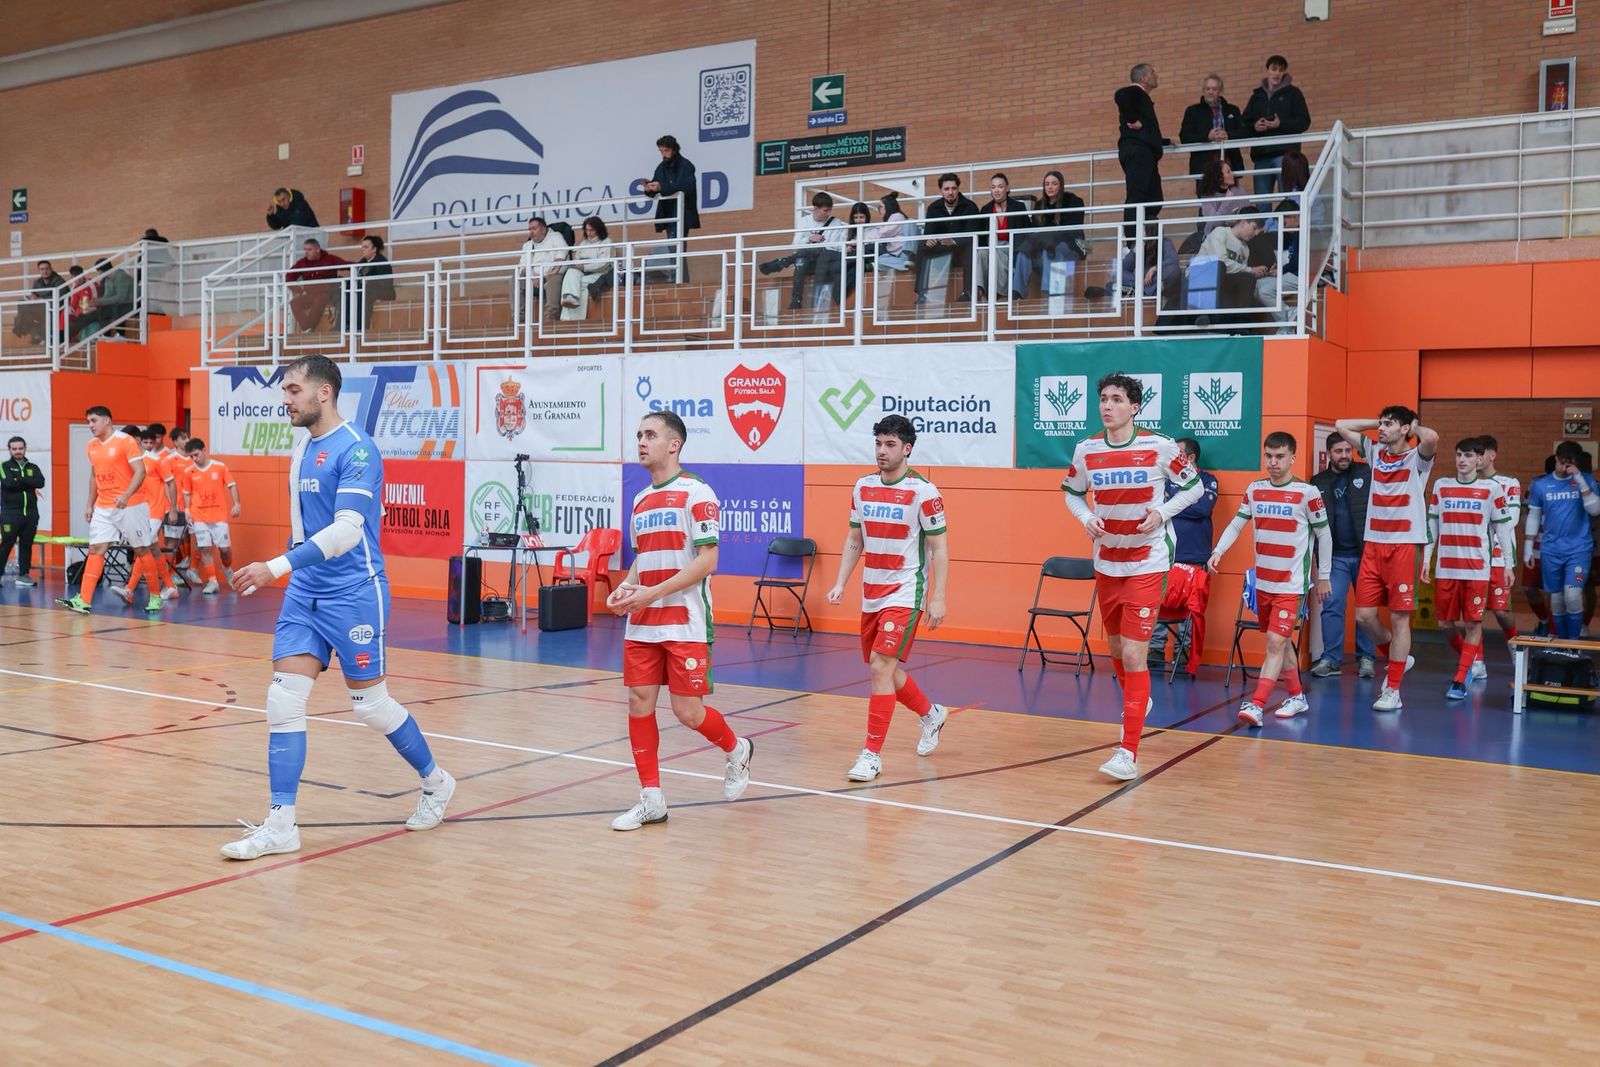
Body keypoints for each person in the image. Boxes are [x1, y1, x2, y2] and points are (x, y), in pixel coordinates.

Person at [224, 355, 456, 859]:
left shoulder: (358, 449)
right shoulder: (302, 449)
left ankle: (436, 782)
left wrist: (275, 566)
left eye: (292, 390)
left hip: (354, 594)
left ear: (323, 392)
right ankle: (281, 824)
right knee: (282, 701)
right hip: (304, 595)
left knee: (371, 706)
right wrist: (291, 573)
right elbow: (303, 528)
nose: (284, 400)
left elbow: (349, 532)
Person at [603, 410, 754, 831]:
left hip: (684, 622)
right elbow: (643, 562)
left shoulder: (696, 493)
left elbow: (708, 561)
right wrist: (626, 587)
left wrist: (653, 593)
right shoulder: (638, 499)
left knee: (688, 712)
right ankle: (651, 798)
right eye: (638, 435)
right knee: (638, 703)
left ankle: (737, 748)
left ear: (674, 444)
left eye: (650, 435)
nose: (641, 442)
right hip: (643, 622)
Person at [1063, 373, 1203, 780]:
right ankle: (1139, 700)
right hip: (1108, 562)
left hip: (1148, 562)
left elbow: (1192, 487)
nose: (1108, 406)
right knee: (1117, 648)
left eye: (1117, 399)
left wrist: (1162, 513)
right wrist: (1087, 516)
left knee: (1134, 654)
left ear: (1134, 407)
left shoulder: (1157, 447)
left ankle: (1128, 752)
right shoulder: (1087, 449)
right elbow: (1072, 492)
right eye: (1103, 399)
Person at [825, 414, 952, 782]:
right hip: (871, 592)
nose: (882, 450)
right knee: (887, 669)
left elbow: (940, 549)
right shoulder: (862, 487)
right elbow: (854, 539)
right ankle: (930, 715)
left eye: (890, 444)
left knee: (880, 666)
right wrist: (840, 582)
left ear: (907, 449)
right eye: (879, 443)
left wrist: (937, 598)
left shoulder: (924, 492)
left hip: (905, 589)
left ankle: (871, 755)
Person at [1207, 432, 1331, 726]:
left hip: (1291, 585)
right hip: (1262, 583)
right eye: (1268, 456)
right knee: (1281, 641)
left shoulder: (1308, 493)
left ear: (1292, 458)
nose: (1273, 463)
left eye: (1280, 457)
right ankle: (1297, 696)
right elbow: (1237, 524)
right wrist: (1218, 551)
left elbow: (1324, 535)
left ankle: (1258, 704)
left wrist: (1323, 575)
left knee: (1276, 642)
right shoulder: (1255, 489)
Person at [1334, 407, 1439, 711]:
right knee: (1364, 617)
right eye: (1380, 423)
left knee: (1398, 618)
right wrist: (1376, 423)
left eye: (1388, 424)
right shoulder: (1374, 451)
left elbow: (1431, 437)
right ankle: (1399, 658)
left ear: (1406, 428)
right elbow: (1342, 422)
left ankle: (1393, 690)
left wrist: (1414, 426)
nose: (1381, 428)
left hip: (1404, 546)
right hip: (1374, 545)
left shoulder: (1417, 458)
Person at [1422, 439, 1515, 700]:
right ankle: (1471, 658)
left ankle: (1461, 678)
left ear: (1479, 459)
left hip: (1477, 570)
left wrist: (1508, 564)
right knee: (1444, 624)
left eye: (1468, 456)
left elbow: (1503, 530)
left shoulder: (1491, 489)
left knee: (1473, 622)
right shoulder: (1442, 486)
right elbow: (1432, 526)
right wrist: (1427, 559)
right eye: (1458, 455)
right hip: (1446, 568)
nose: (1462, 460)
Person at [55, 407, 152, 615]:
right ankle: (84, 600)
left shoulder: (125, 441)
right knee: (96, 549)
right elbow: (94, 476)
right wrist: (90, 503)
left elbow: (140, 471)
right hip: (104, 507)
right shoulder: (91, 445)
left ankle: (155, 596)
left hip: (131, 505)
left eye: (94, 420)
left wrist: (126, 495)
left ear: (107, 420)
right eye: (88, 421)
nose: (90, 424)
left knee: (142, 550)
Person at [1310, 432, 1377, 677]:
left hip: (1365, 554)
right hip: (1335, 556)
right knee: (1332, 605)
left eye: (1348, 451)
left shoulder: (1366, 473)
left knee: (1366, 610)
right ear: (1329, 454)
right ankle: (1331, 659)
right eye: (1339, 452)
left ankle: (1366, 658)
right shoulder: (1317, 482)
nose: (1345, 456)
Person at [1150, 438, 1218, 670]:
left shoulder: (1208, 480)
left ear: (1190, 458)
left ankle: (1182, 651)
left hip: (1195, 554)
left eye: (1178, 454)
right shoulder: (1166, 479)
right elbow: (1156, 508)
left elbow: (1202, 509)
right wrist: (1173, 505)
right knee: (1161, 601)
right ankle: (1156, 649)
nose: (1173, 458)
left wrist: (1171, 506)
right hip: (1165, 552)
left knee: (1190, 605)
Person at [1525, 440, 1600, 639]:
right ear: (1556, 459)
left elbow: (1595, 509)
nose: (1565, 467)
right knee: (1557, 598)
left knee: (1573, 593)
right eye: (1562, 462)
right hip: (1551, 550)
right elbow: (1533, 515)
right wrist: (1528, 548)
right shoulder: (1541, 484)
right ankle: (1561, 642)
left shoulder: (1587, 479)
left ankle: (1573, 643)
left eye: (1570, 463)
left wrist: (1579, 479)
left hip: (1579, 549)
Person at [1472, 435, 1521, 677]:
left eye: (1481, 453)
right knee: (1474, 613)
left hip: (1501, 558)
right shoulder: (1468, 484)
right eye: (1474, 453)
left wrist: (1481, 519)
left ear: (1492, 454)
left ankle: (1516, 649)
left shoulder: (1509, 482)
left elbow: (1511, 519)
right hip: (1475, 557)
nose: (1477, 458)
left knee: (1501, 612)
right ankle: (1477, 661)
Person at [759, 192, 844, 310]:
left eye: (830, 210)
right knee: (800, 261)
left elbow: (835, 248)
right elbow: (795, 245)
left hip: (825, 263)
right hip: (809, 262)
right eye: (825, 210)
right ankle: (796, 301)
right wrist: (809, 238)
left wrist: (819, 245)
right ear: (815, 208)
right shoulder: (804, 221)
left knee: (814, 252)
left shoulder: (836, 222)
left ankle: (781, 263)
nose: (829, 213)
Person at [1241, 56, 1312, 197]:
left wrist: (1281, 124)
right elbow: (1244, 122)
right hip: (1261, 155)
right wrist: (1255, 126)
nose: (1277, 73)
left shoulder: (1294, 93)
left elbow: (1304, 121)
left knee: (1287, 197)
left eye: (1281, 70)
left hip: (1285, 155)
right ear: (1268, 70)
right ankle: (1264, 220)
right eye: (1274, 69)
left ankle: (1287, 220)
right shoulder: (1257, 96)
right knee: (1262, 201)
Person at [1115, 63, 1167, 239]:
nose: (1156, 74)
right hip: (1137, 151)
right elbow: (1120, 95)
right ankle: (1132, 241)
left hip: (1145, 151)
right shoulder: (1134, 92)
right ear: (1144, 78)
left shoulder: (1141, 97)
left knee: (1154, 197)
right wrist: (1132, 119)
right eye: (1152, 72)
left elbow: (1146, 128)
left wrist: (1162, 141)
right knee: (1137, 195)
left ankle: (1147, 236)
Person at [1016, 170, 1086, 299]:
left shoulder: (1073, 201)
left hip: (1074, 245)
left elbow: (1074, 230)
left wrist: (1049, 238)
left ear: (1061, 185)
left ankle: (1052, 292)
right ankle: (1017, 292)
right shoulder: (1039, 205)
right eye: (1047, 184)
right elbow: (1034, 231)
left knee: (1050, 251)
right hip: (1046, 245)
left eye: (1054, 184)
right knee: (1023, 253)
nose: (1050, 187)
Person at [184, 437, 240, 595]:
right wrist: (187, 510)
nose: (194, 459)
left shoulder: (219, 467)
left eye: (196, 454)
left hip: (219, 516)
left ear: (204, 450)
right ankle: (212, 581)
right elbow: (187, 493)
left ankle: (227, 569)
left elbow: (232, 485)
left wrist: (237, 504)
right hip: (199, 515)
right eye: (191, 456)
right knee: (204, 548)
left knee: (225, 550)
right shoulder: (189, 472)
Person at [914, 173, 979, 304]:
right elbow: (929, 233)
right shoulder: (934, 208)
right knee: (922, 247)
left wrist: (954, 241)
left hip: (962, 252)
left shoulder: (970, 206)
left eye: (954, 188)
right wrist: (930, 240)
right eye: (947, 189)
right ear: (941, 191)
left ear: (958, 189)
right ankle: (922, 294)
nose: (950, 192)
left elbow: (973, 234)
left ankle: (968, 292)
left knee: (971, 246)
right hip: (942, 251)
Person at [132, 425, 178, 610]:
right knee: (153, 550)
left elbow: (170, 484)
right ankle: (171, 586)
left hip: (156, 510)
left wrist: (173, 508)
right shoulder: (135, 461)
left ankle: (129, 588)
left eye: (152, 441)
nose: (149, 444)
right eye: (146, 441)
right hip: (140, 510)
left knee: (143, 547)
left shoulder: (158, 461)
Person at [643, 134, 699, 275]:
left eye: (666, 151)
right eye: (661, 151)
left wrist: (662, 187)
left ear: (674, 150)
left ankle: (680, 283)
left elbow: (688, 186)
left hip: (681, 213)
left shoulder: (686, 165)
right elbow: (658, 186)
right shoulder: (661, 167)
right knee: (674, 250)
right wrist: (649, 189)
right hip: (668, 213)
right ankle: (678, 281)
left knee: (677, 251)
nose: (663, 154)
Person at [1179, 73, 1246, 192]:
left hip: (1229, 161)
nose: (1210, 92)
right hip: (1204, 165)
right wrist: (1207, 136)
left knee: (1231, 199)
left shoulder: (1232, 110)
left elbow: (1244, 131)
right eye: (1207, 89)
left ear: (1220, 91)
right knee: (1207, 202)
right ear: (1203, 90)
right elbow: (1184, 137)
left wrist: (1228, 135)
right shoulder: (1192, 111)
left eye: (1214, 89)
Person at [975, 173, 1030, 301]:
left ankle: (1000, 293)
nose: (996, 190)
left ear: (1007, 188)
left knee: (997, 251)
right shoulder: (985, 209)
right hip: (992, 245)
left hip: (1012, 245)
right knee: (982, 253)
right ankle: (980, 291)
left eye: (1000, 186)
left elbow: (1026, 231)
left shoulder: (1018, 207)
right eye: (993, 187)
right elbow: (982, 236)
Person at [0, 437, 45, 587]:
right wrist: (27, 481)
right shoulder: (4, 466)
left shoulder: (33, 467)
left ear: (25, 448)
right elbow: (8, 483)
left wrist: (19, 479)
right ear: (10, 450)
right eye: (14, 449)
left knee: (26, 544)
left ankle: (24, 575)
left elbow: (40, 482)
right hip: (11, 514)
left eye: (20, 448)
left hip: (31, 515)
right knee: (7, 544)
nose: (18, 451)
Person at [1521, 455, 1558, 637]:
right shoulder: (1536, 485)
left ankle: (1552, 630)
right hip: (1535, 546)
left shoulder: (1569, 485)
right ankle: (1544, 620)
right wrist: (1526, 535)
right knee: (1529, 588)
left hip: (1556, 547)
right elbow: (1527, 513)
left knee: (1553, 591)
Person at [286, 238, 348, 333]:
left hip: (328, 293)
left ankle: (308, 328)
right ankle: (307, 328)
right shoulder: (302, 262)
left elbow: (347, 265)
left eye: (309, 250)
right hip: (310, 294)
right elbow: (289, 276)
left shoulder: (330, 259)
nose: (306, 252)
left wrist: (363, 266)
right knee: (294, 302)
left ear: (318, 249)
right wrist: (298, 290)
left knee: (320, 299)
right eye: (305, 250)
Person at [165, 426, 199, 585]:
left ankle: (192, 567)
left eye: (188, 437)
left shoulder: (194, 457)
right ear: (176, 441)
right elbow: (166, 484)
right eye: (184, 438)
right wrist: (172, 506)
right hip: (177, 507)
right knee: (171, 541)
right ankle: (170, 573)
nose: (187, 440)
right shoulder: (169, 459)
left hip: (195, 507)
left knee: (200, 539)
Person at [520, 216, 570, 320]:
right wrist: (532, 277)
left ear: (543, 229)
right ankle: (520, 317)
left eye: (534, 228)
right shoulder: (527, 245)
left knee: (553, 278)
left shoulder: (555, 236)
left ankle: (552, 316)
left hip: (551, 274)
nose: (531, 232)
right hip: (534, 278)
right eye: (529, 229)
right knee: (515, 280)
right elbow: (523, 266)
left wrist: (555, 269)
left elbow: (563, 252)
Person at [561, 216, 616, 311]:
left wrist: (584, 267)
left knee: (577, 283)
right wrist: (577, 266)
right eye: (587, 230)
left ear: (599, 230)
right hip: (583, 271)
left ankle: (572, 312)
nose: (589, 233)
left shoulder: (607, 242)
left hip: (600, 274)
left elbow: (603, 264)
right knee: (570, 272)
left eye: (592, 230)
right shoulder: (583, 243)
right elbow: (577, 259)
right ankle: (570, 299)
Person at [12, 261, 65, 344]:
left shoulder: (59, 281)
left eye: (47, 269)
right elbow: (34, 294)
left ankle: (22, 331)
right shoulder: (37, 282)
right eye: (42, 269)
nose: (45, 271)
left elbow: (60, 297)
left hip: (54, 307)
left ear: (51, 269)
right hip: (40, 308)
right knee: (22, 304)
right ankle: (34, 334)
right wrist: (31, 297)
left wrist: (40, 299)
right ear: (39, 271)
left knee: (26, 313)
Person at [352, 235, 395, 332]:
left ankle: (360, 327)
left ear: (374, 249)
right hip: (365, 291)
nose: (363, 249)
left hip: (379, 292)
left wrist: (381, 297)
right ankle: (345, 324)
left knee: (363, 295)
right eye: (362, 247)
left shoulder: (382, 262)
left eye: (366, 247)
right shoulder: (362, 262)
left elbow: (386, 283)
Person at [1196, 159, 1250, 235]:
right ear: (1219, 177)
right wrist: (1226, 202)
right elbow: (1213, 223)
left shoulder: (1239, 191)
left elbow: (1247, 212)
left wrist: (1236, 221)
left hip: (1238, 233)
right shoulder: (1207, 197)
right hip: (1216, 236)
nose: (1233, 174)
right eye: (1228, 172)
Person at [871, 193, 913, 272]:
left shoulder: (896, 216)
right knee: (879, 260)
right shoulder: (893, 217)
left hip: (902, 254)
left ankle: (905, 264)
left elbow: (882, 234)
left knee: (878, 261)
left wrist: (863, 239)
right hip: (895, 254)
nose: (878, 210)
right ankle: (903, 265)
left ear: (888, 207)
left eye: (880, 207)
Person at [841, 202, 875, 300]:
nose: (858, 220)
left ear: (867, 217)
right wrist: (848, 248)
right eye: (856, 218)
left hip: (864, 259)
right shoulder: (848, 231)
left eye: (861, 217)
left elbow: (871, 247)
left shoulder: (872, 230)